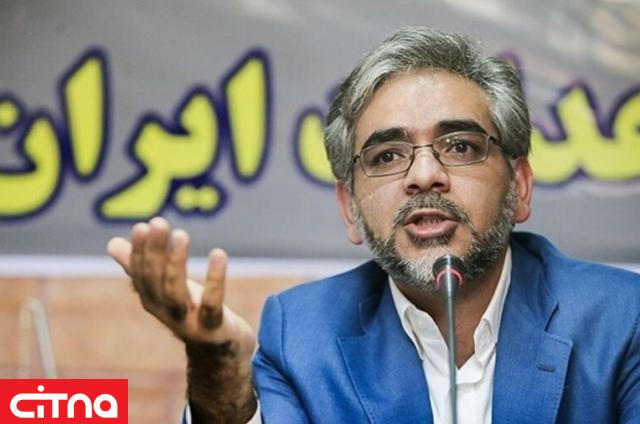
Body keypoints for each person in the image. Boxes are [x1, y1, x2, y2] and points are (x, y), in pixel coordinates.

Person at [107, 27, 640, 423]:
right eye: (387, 156)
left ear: (519, 185)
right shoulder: (301, 335)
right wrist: (217, 362)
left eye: (459, 146)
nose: (424, 175)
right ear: (350, 209)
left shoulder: (623, 319)